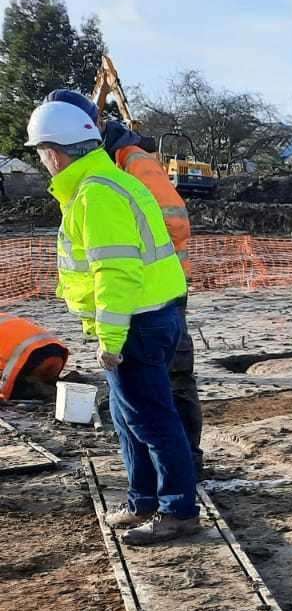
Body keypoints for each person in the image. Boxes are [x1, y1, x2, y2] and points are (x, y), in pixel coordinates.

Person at [25, 100, 197, 545]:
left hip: (137, 323)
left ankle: (178, 509)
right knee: (127, 417)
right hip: (151, 316)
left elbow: (115, 273)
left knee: (153, 420)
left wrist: (112, 338)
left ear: (55, 153)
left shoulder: (98, 195)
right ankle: (143, 498)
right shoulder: (104, 184)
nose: (42, 162)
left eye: (41, 153)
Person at [48, 89, 202, 472]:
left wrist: (147, 270)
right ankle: (154, 489)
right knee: (135, 408)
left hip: (152, 297)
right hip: (139, 295)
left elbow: (164, 228)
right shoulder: (100, 170)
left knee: (165, 396)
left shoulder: (125, 165)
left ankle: (183, 476)